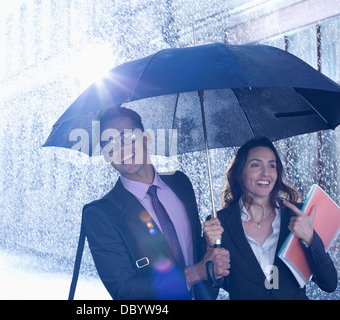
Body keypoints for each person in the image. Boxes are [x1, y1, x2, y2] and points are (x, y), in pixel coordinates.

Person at [82, 107, 230, 300]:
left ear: (145, 139)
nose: (123, 148)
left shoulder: (181, 184)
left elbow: (192, 253)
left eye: (129, 137)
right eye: (111, 143)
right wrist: (195, 273)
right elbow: (124, 291)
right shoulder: (100, 214)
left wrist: (210, 247)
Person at [206, 136, 338, 299]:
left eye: (271, 165)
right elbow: (209, 290)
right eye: (256, 165)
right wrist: (210, 249)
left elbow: (329, 283)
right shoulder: (219, 223)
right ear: (240, 172)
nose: (266, 173)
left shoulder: (298, 215)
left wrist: (310, 239)